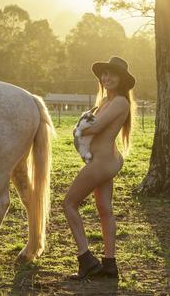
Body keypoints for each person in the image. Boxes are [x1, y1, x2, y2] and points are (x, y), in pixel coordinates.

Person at [63, 56, 135, 279]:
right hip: (103, 161)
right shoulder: (105, 101)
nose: (107, 78)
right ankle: (109, 264)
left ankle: (86, 259)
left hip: (102, 163)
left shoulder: (121, 102)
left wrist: (78, 129)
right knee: (104, 208)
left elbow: (96, 128)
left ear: (122, 79)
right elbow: (94, 126)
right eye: (104, 74)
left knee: (68, 204)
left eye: (112, 74)